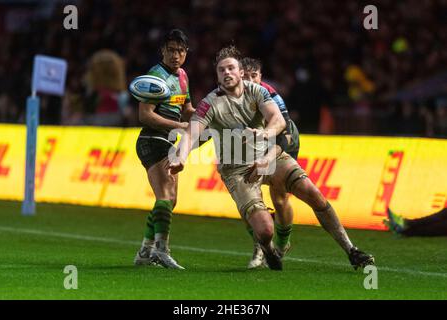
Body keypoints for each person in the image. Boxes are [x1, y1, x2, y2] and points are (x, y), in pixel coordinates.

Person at [169, 45, 374, 271]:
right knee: (265, 230)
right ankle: (267, 248)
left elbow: (279, 121)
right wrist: (181, 155)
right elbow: (192, 133)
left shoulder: (260, 92)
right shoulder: (211, 102)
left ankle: (351, 250)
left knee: (312, 193)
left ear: (240, 72)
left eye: (230, 68)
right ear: (217, 76)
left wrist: (265, 137)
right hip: (237, 169)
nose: (226, 73)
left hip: (270, 155)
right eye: (221, 70)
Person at [133, 29, 195, 269]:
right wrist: (179, 125)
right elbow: (145, 115)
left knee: (171, 200)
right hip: (152, 139)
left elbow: (187, 108)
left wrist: (206, 116)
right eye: (171, 50)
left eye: (180, 50)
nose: (175, 55)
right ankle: (161, 251)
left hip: (168, 142)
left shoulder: (183, 77)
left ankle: (144, 252)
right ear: (162, 51)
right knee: (165, 196)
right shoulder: (154, 76)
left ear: (186, 52)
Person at [241, 57, 300, 268]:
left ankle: (282, 245)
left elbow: (283, 129)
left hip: (281, 142)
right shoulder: (231, 94)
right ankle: (260, 246)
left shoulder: (272, 96)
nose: (249, 80)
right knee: (247, 199)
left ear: (260, 77)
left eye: (253, 76)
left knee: (280, 198)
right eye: (245, 76)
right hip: (253, 143)